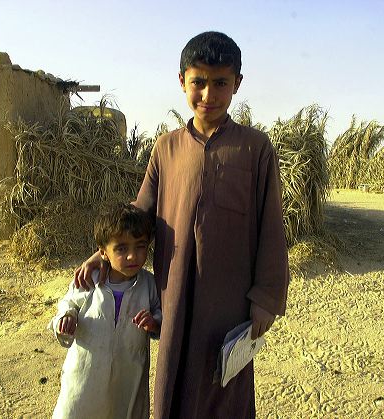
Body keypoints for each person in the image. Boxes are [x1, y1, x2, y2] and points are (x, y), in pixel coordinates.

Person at [75, 31, 289, 418]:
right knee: (174, 376)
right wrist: (100, 255)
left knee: (225, 384)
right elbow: (139, 212)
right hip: (173, 290)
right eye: (199, 83)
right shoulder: (167, 147)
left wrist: (266, 299)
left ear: (237, 84)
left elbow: (271, 228)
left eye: (221, 83)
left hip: (230, 297)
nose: (208, 95)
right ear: (182, 82)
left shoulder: (256, 149)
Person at [49, 203, 162, 419]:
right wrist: (67, 317)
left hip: (128, 379)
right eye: (121, 248)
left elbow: (160, 316)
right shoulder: (89, 280)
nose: (132, 256)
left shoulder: (149, 285)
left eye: (140, 246)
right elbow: (68, 303)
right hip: (86, 378)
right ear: (103, 253)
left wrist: (154, 322)